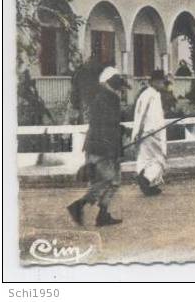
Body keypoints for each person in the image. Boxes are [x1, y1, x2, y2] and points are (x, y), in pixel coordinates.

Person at [67, 67, 128, 227]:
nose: (121, 88)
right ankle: (78, 206)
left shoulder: (104, 97)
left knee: (114, 181)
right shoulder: (108, 98)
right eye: (118, 83)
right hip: (103, 148)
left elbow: (108, 124)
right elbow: (105, 127)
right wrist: (112, 150)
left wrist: (119, 131)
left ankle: (102, 214)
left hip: (101, 147)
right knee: (106, 180)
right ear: (110, 82)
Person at [132, 69, 168, 196]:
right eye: (161, 81)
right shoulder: (151, 95)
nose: (163, 84)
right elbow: (141, 115)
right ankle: (146, 179)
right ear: (155, 82)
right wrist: (140, 132)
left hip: (148, 133)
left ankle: (148, 185)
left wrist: (137, 133)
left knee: (146, 159)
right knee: (159, 159)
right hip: (151, 133)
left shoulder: (147, 94)